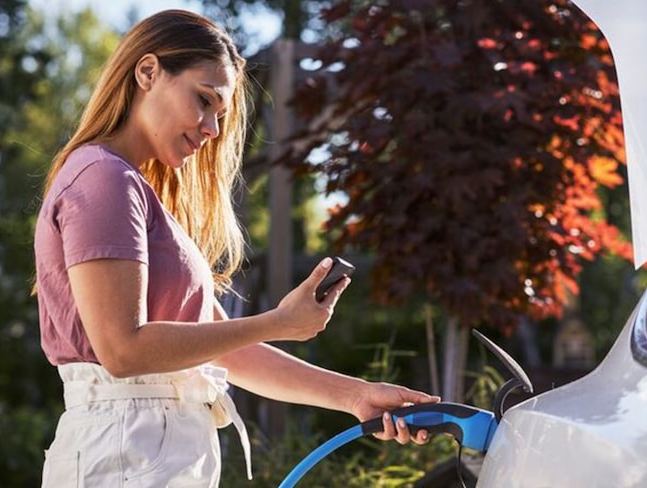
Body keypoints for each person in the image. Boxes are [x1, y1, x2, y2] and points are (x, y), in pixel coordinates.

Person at [33, 9, 438, 486]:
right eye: (203, 100)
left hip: (145, 450)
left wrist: (354, 397)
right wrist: (279, 323)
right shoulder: (104, 179)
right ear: (147, 72)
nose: (212, 129)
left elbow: (229, 353)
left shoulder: (137, 191)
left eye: (220, 115)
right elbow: (122, 350)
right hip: (125, 453)